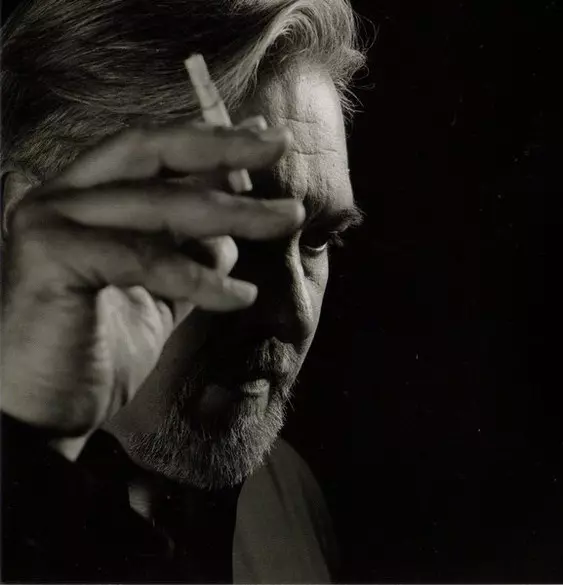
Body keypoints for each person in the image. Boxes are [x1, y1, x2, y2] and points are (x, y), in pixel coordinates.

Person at [1, 0, 366, 582]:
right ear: (24, 222)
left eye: (318, 241)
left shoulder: (286, 501)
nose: (293, 314)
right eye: (222, 227)